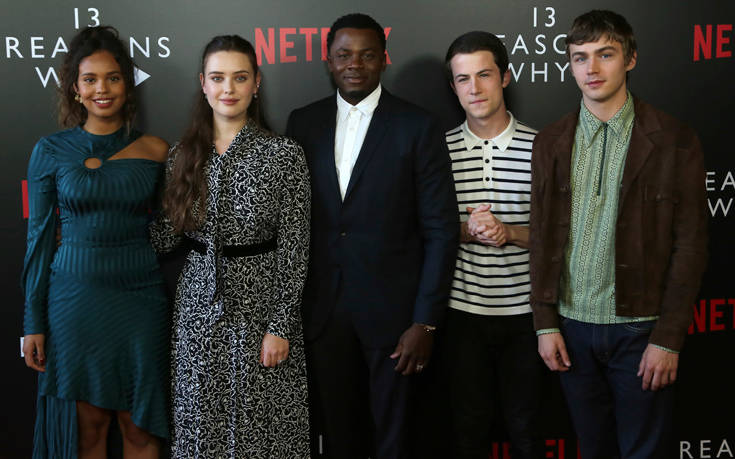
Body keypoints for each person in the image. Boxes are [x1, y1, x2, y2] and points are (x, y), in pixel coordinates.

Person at [530, 10, 708, 459]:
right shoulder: (550, 140)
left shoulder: (675, 139)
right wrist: (545, 322)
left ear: (630, 58)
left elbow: (691, 246)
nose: (591, 68)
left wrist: (667, 338)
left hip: (641, 330)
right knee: (593, 450)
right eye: (580, 57)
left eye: (605, 54)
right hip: (571, 329)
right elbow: (541, 237)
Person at [286, 13, 459, 459]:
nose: (354, 64)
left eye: (366, 55)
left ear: (384, 59)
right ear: (328, 60)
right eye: (344, 55)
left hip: (395, 318)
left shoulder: (417, 125)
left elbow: (441, 230)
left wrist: (425, 321)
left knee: (394, 441)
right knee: (338, 437)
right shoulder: (303, 123)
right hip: (323, 314)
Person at [151, 35, 311, 457]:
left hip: (261, 309)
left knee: (263, 429)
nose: (228, 88)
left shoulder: (283, 155)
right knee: (201, 423)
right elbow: (165, 236)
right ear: (203, 84)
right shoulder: (182, 155)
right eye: (218, 77)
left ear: (256, 83)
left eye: (240, 78)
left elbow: (295, 249)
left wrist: (280, 325)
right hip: (198, 309)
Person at [21, 26, 169, 458]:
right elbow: (38, 240)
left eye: (113, 78)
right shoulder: (50, 150)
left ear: (127, 84)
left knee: (141, 429)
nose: (102, 89)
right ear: (75, 88)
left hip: (141, 300)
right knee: (88, 430)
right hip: (74, 302)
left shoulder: (157, 150)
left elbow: (173, 229)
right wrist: (32, 322)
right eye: (90, 79)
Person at [443, 31, 543, 459]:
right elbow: (421, 231)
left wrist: (509, 232)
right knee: (467, 432)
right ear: (453, 87)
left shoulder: (542, 147)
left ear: (504, 77)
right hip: (461, 316)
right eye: (463, 79)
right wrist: (465, 231)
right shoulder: (439, 149)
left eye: (484, 75)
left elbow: (562, 237)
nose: (474, 88)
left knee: (527, 430)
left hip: (526, 316)